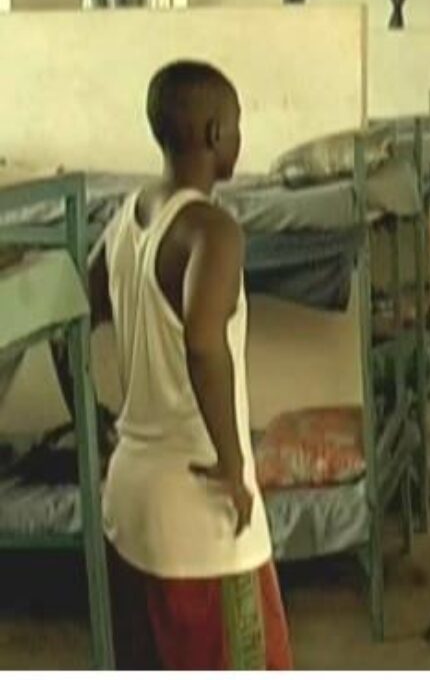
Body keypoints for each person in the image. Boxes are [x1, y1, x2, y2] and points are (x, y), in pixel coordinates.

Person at [87, 61, 291, 670]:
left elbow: (73, 314)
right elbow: (204, 344)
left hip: (130, 501)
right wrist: (233, 464)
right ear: (212, 133)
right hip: (198, 510)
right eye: (236, 124)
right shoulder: (212, 231)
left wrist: (91, 420)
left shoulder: (126, 218)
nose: (238, 137)